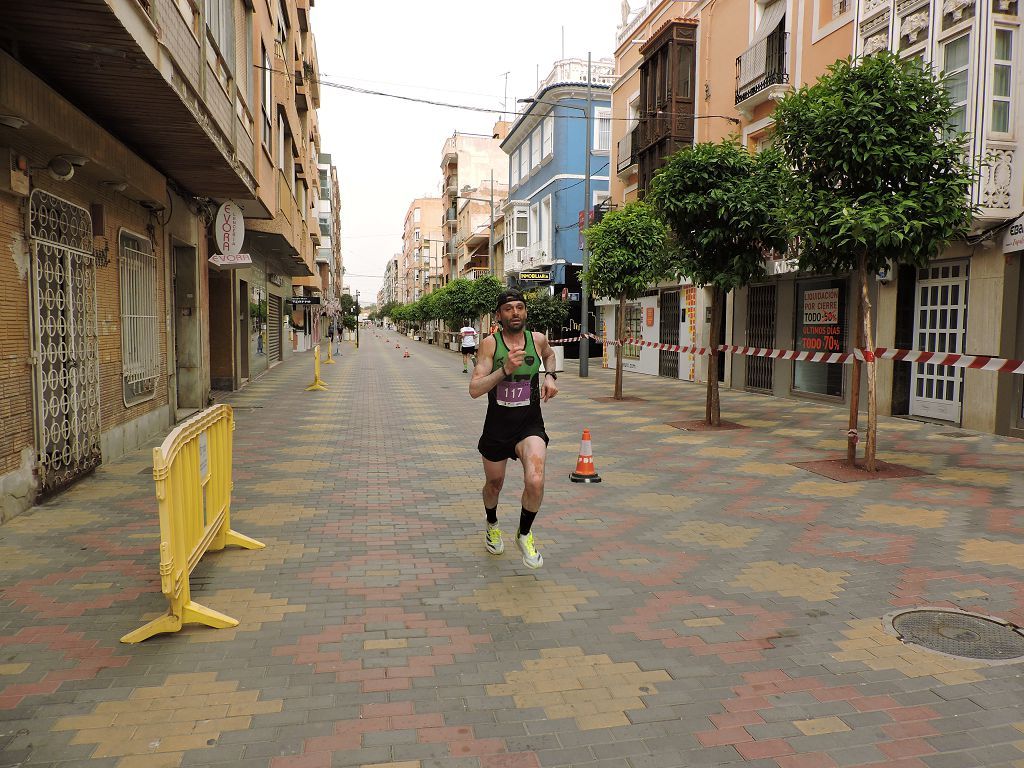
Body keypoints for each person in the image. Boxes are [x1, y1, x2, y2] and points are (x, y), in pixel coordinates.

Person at [469, 291, 558, 568]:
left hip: (529, 424)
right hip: (497, 427)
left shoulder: (537, 339)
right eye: (508, 308)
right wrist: (505, 369)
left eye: (520, 307)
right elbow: (474, 389)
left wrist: (550, 375)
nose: (515, 312)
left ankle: (525, 532)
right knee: (494, 485)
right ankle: (492, 523)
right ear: (499, 315)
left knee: (535, 480)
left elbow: (550, 355)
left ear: (526, 312)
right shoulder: (489, 345)